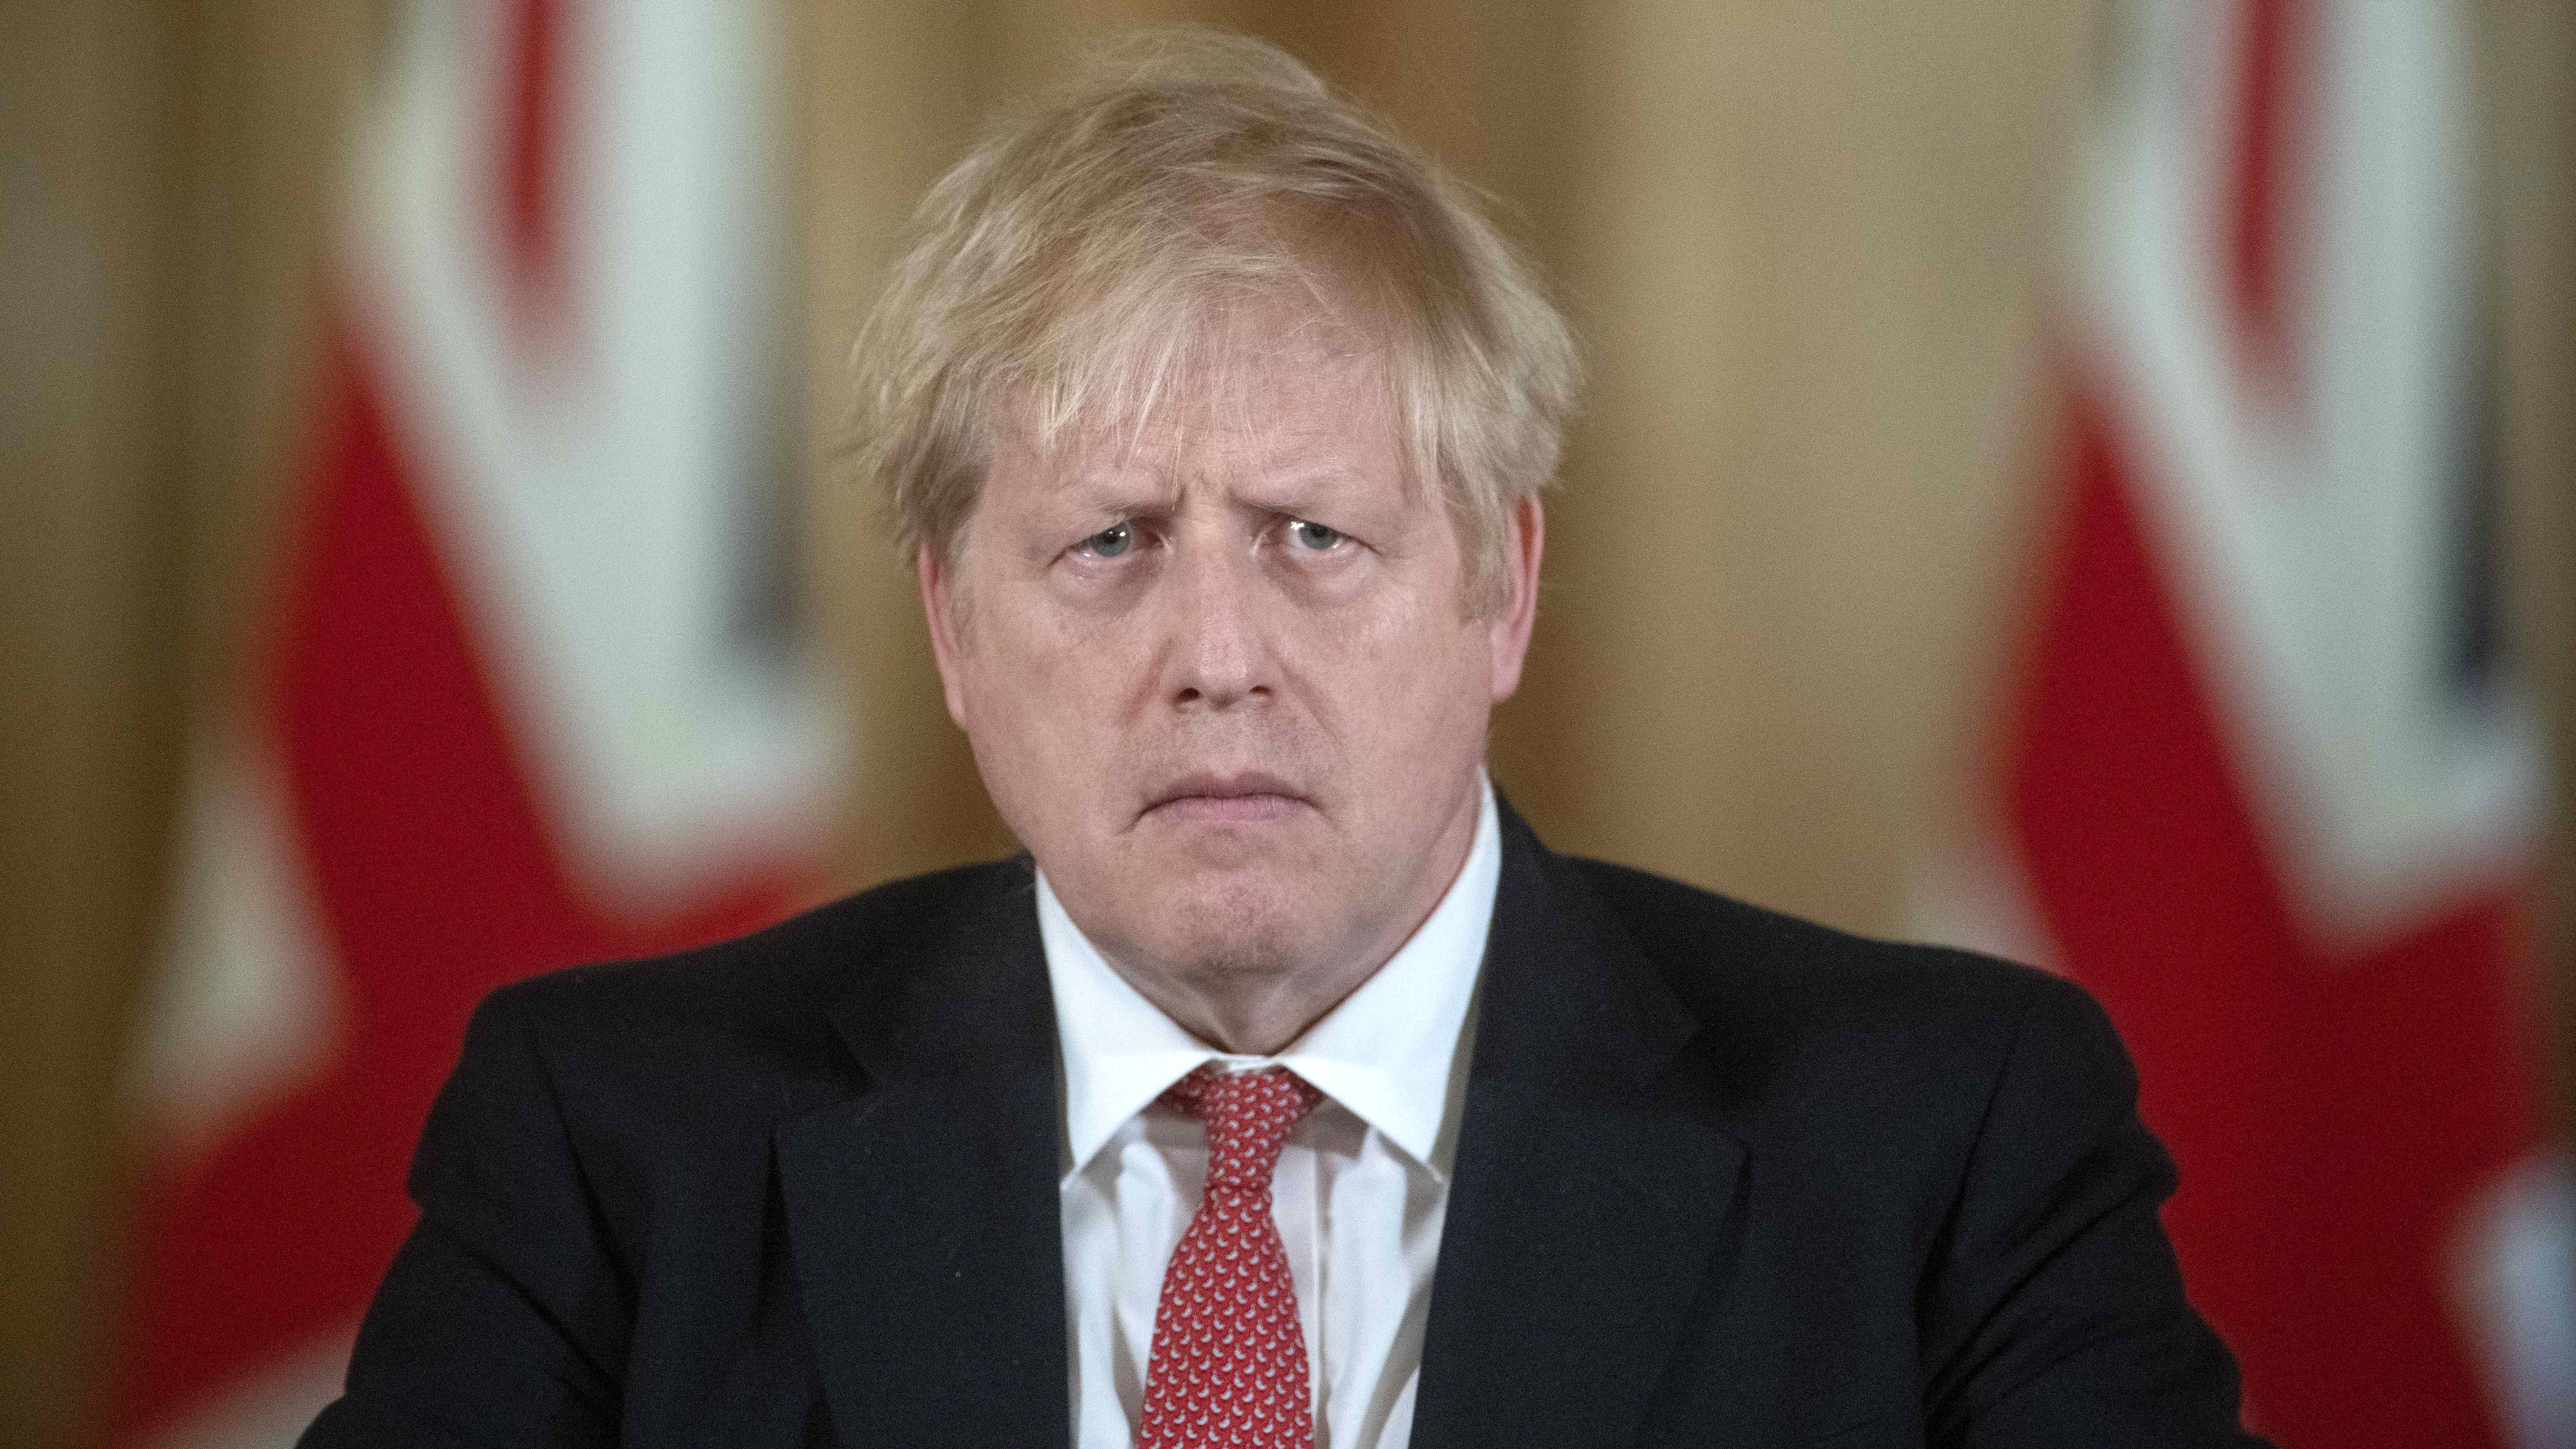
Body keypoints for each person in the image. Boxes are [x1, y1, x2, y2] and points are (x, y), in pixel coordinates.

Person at [302, 31, 2264, 1449]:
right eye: (1108, 543)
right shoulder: (615, 1148)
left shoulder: (1943, 1141)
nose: (1214, 654)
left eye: (1314, 537)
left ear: (1498, 585)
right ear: (948, 624)